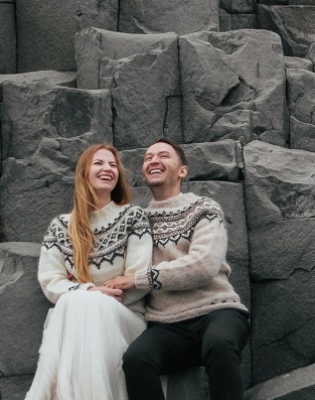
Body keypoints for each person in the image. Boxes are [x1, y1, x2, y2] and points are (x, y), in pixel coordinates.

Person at [105, 139, 250, 400]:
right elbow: (116, 267)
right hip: (167, 325)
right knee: (136, 360)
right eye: (148, 158)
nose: (153, 161)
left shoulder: (204, 209)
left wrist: (140, 279)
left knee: (219, 344)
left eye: (163, 155)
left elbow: (202, 266)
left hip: (217, 311)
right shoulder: (138, 222)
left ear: (182, 170)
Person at [27, 143, 153, 400]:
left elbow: (139, 277)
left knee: (79, 303)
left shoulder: (133, 217)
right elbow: (51, 281)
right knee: (78, 302)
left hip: (126, 318)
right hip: (80, 314)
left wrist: (91, 293)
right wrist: (90, 289)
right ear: (84, 172)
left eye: (112, 164)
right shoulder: (62, 227)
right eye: (99, 163)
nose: (107, 168)